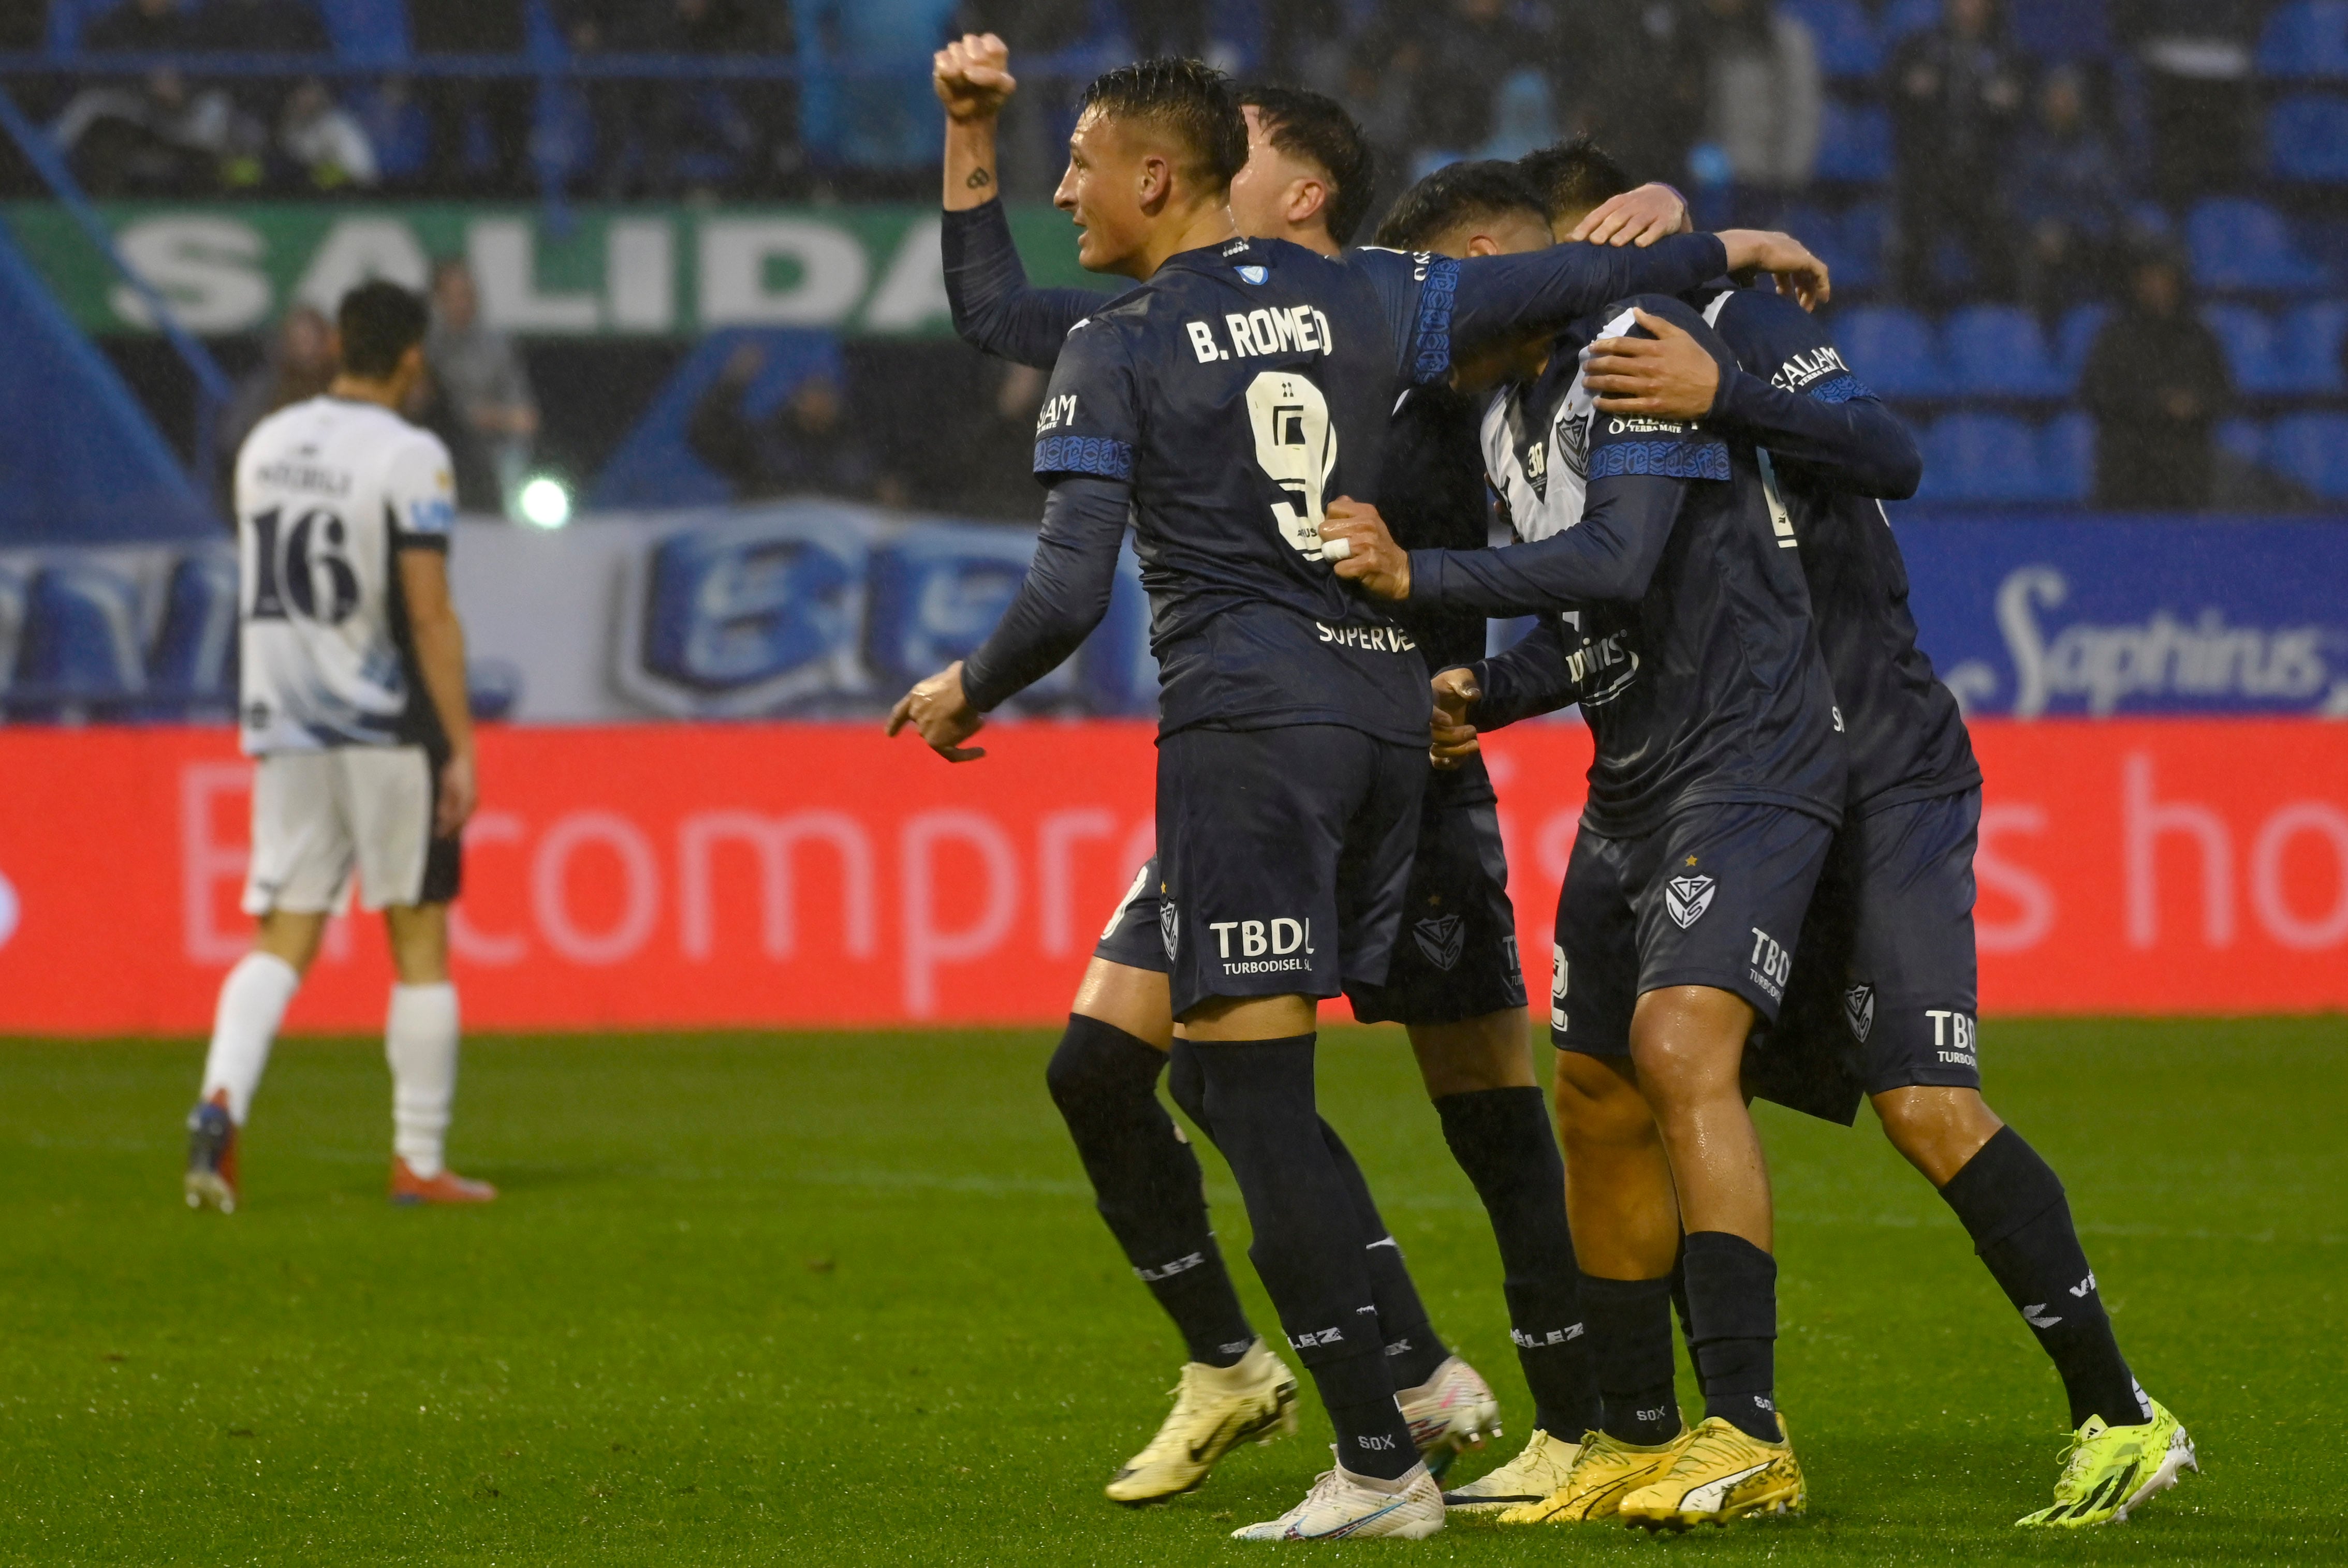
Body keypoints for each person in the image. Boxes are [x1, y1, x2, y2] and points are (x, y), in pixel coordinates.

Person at [896, 47, 1824, 1541]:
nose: (1070, 188)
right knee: (1185, 1069)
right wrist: (1723, 243)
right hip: (1382, 731)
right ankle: (1412, 1393)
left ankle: (1429, 1438)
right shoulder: (1376, 305)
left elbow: (1070, 581)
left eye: (1085, 163)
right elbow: (1556, 282)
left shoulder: (1160, 332)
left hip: (1278, 738)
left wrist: (967, 686)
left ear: (1205, 178)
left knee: (1335, 1099)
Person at [1446, 139, 2194, 1530]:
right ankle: (1663, 1430)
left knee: (1922, 1100)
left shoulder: (1731, 324)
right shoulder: (1567, 392)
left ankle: (2118, 1410)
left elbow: (1893, 452)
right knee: (1630, 1072)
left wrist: (1724, 377)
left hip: (1878, 759)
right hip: (1741, 765)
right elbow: (1614, 601)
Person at [184, 280, 494, 1214]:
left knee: (282, 932)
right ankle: (418, 1162)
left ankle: (220, 1100)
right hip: (385, 721)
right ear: (410, 358)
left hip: (285, 719)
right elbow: (429, 614)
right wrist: (463, 746)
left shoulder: (269, 442)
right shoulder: (410, 455)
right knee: (418, 932)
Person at [1886, 0, 2024, 304]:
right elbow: (1892, 86)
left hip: (1980, 172)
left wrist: (2011, 103)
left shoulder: (2003, 52)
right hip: (1929, 169)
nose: (1968, 8)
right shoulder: (1923, 45)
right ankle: (1912, 313)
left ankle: (1995, 317)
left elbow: (2021, 105)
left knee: (2000, 248)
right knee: (1915, 244)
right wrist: (1909, 86)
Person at [2079, 248, 2230, 512]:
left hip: (2186, 465)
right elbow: (2096, 393)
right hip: (2127, 463)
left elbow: (2223, 393)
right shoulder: (2115, 338)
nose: (2156, 288)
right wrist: (2156, 404)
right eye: (2149, 280)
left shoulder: (2199, 338)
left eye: (2164, 280)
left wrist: (2194, 405)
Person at [686, 343, 900, 505]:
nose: (819, 401)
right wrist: (733, 382)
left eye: (826, 392)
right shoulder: (763, 444)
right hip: (769, 550)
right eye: (812, 391)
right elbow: (706, 433)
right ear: (797, 397)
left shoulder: (859, 454)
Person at [2008, 66, 2129, 320]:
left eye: (2067, 98)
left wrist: (2074, 230)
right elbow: (2019, 197)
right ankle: (2035, 336)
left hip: (2087, 236)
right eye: (2055, 97)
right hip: (2040, 235)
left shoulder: (2097, 149)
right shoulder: (2027, 147)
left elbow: (2113, 202)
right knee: (2031, 257)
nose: (2061, 105)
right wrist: (2043, 227)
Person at [425, 258, 539, 512]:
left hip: (488, 453)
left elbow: (525, 417)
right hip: (433, 451)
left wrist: (489, 417)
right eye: (453, 296)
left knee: (514, 465)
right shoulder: (421, 348)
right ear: (436, 300)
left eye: (468, 294)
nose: (463, 303)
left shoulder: (496, 346)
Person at [1694, 0, 1821, 227]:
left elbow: (1800, 112)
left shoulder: (1785, 40)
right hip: (1711, 180)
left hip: (1764, 179)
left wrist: (1788, 176)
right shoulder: (1702, 36)